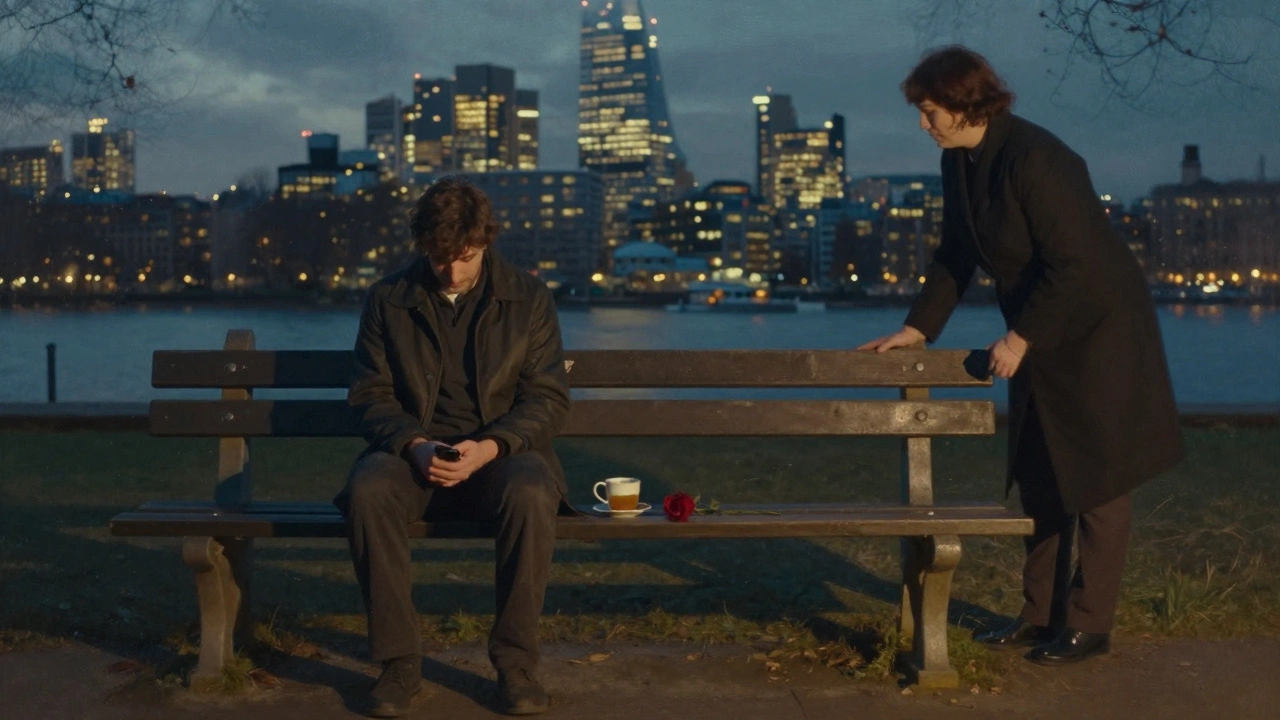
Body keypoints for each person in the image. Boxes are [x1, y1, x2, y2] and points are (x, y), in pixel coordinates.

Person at [859, 46, 1184, 665]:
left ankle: (1090, 625)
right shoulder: (961, 161)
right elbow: (957, 253)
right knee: (1040, 474)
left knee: (1097, 481)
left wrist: (1019, 338)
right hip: (1037, 329)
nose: (921, 125)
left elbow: (1078, 263)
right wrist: (918, 328)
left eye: (929, 112)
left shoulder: (1039, 159)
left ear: (962, 105)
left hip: (1097, 329)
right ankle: (1040, 616)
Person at [334, 176, 571, 716]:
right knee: (368, 488)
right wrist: (414, 444)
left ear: (485, 242)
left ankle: (516, 664)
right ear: (422, 246)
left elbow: (547, 400)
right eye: (439, 257)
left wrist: (491, 448)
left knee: (534, 491)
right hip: (412, 458)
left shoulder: (528, 298)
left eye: (464, 257)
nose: (452, 271)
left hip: (499, 460)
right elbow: (369, 396)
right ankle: (399, 665)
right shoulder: (389, 299)